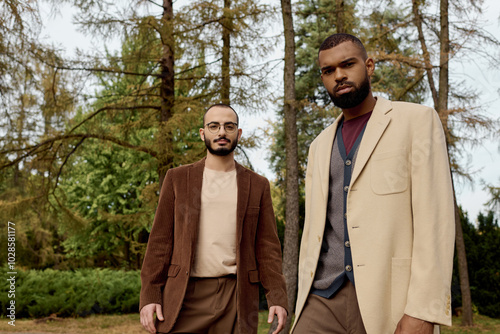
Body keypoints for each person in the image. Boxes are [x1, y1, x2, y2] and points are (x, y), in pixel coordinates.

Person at [291, 33, 455, 334]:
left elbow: (436, 221)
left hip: (388, 298)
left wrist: (423, 310)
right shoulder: (318, 146)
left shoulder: (416, 121)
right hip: (322, 297)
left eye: (347, 64)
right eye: (328, 71)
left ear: (369, 66)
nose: (339, 75)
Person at [140, 104, 288, 334]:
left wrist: (277, 297)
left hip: (235, 296)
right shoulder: (177, 179)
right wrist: (150, 295)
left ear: (238, 134)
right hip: (184, 295)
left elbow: (267, 247)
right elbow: (159, 241)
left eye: (229, 127)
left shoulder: (257, 185)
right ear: (203, 133)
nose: (221, 132)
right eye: (214, 126)